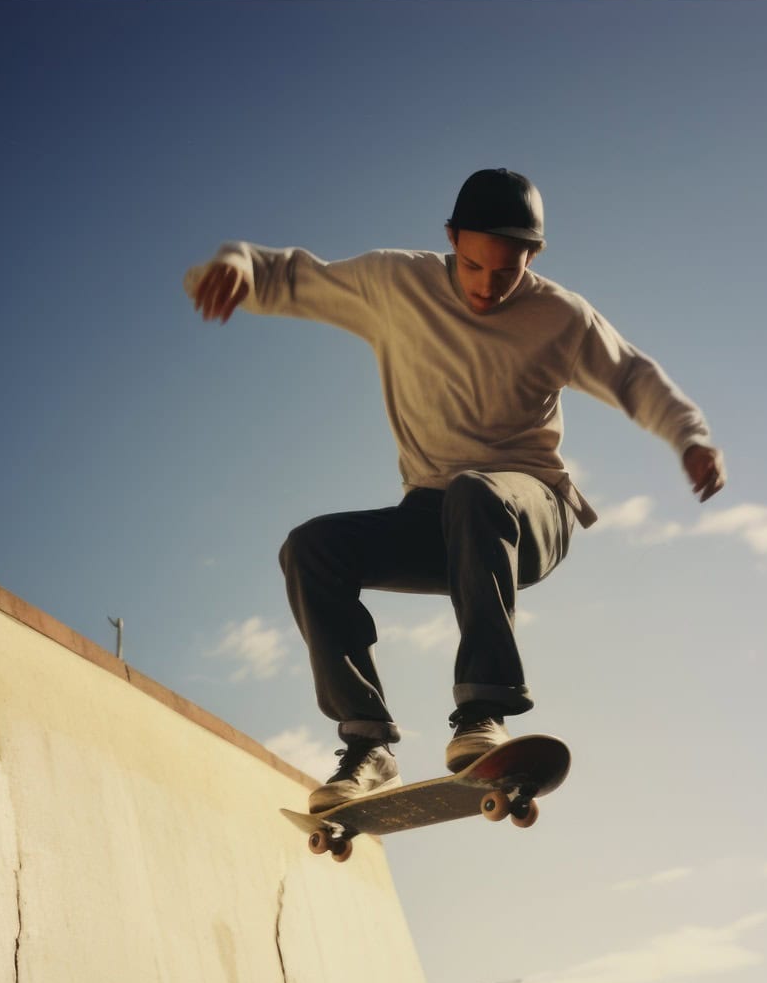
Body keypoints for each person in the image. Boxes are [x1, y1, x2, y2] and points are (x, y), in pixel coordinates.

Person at [186, 168, 726, 812]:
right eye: (472, 266)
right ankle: (368, 745)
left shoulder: (561, 317)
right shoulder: (394, 284)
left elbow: (632, 376)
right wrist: (237, 265)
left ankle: (483, 714)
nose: (486, 287)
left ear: (535, 256)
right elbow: (293, 276)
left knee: (476, 493)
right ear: (450, 239)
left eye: (506, 272)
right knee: (312, 548)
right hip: (435, 520)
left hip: (531, 512)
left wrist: (689, 436)